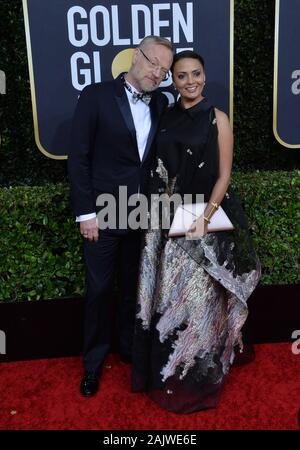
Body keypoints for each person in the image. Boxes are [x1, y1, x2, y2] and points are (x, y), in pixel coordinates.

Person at [131, 50, 261, 413]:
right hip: (164, 222)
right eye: (182, 76)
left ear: (205, 76)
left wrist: (206, 216)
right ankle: (167, 371)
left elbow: (223, 177)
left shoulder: (217, 119)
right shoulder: (166, 117)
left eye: (196, 74)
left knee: (200, 300)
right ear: (173, 80)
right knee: (170, 300)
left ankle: (199, 376)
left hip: (200, 221)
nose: (190, 81)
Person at [68, 36, 173, 397]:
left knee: (132, 290)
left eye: (164, 69)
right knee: (98, 291)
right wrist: (86, 213)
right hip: (102, 214)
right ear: (134, 57)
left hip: (140, 213)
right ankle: (93, 364)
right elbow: (78, 158)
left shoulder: (161, 103)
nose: (158, 73)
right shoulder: (95, 96)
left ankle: (129, 350)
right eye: (153, 63)